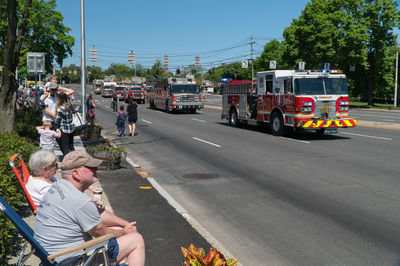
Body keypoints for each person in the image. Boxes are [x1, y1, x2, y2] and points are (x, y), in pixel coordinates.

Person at [33, 151, 145, 265]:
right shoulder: (80, 201)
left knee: (118, 230)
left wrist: (126, 224)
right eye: (91, 167)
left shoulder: (57, 187)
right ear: (76, 173)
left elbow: (97, 215)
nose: (96, 169)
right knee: (136, 239)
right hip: (70, 261)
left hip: (51, 256)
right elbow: (103, 235)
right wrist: (124, 232)